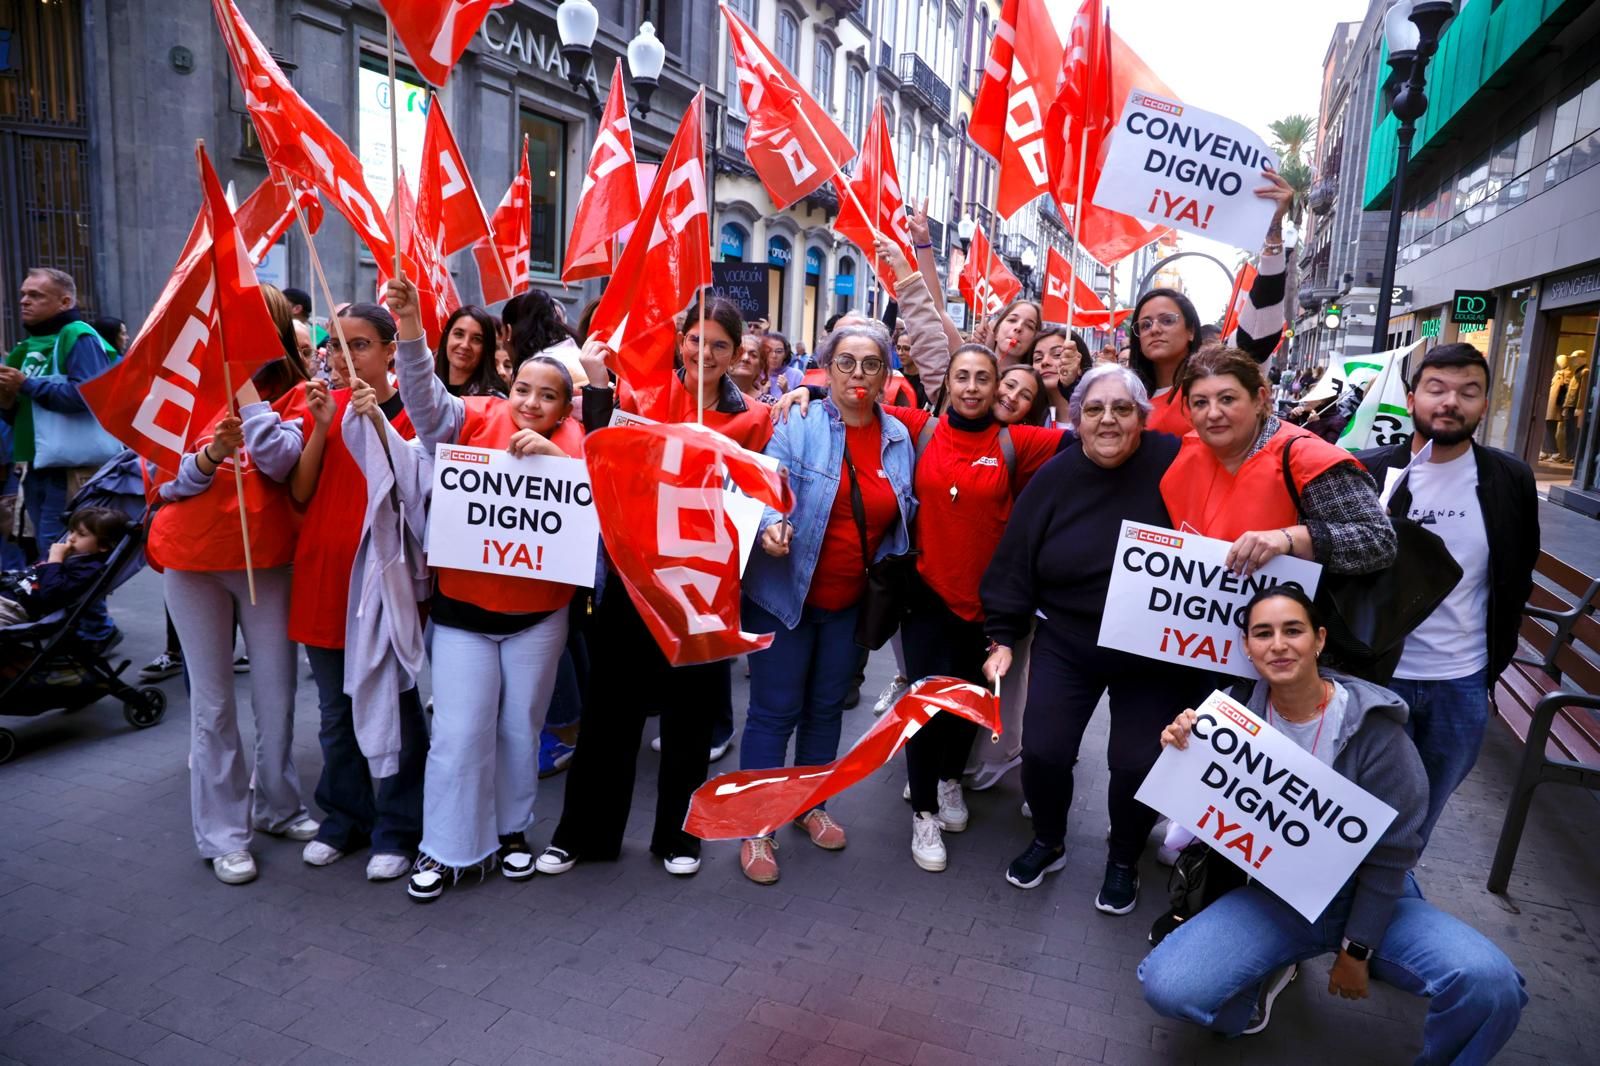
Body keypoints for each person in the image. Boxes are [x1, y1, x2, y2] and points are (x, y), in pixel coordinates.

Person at [1139, 587, 1527, 1058]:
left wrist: (1358, 947)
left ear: (1319, 640)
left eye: (1293, 630)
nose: (1278, 644)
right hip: (1276, 901)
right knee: (1167, 987)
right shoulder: (1228, 715)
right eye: (1263, 633)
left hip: (1369, 896)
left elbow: (1392, 855)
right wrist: (1182, 751)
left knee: (1491, 983)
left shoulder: (1375, 730)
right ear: (1247, 647)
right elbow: (1204, 812)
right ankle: (1252, 995)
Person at [537, 297, 773, 879]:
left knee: (690, 717)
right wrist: (596, 386)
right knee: (610, 713)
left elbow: (759, 495)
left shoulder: (757, 419)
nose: (705, 354)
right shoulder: (642, 398)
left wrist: (771, 523)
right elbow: (604, 451)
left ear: (736, 353)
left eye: (719, 344)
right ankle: (583, 835)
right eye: (696, 340)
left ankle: (680, 837)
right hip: (634, 579)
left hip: (701, 590)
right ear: (679, 342)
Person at [980, 365, 1211, 907]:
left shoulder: (1178, 460)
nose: (1108, 420)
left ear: (1143, 420)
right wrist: (1003, 636)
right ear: (1076, 420)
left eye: (1123, 409)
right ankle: (1049, 840)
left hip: (1152, 649)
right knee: (1044, 750)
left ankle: (1124, 857)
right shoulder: (1055, 476)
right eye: (1094, 410)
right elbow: (1016, 559)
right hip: (1068, 638)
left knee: (1136, 762)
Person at [385, 277, 583, 902]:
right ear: (509, 386)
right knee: (460, 733)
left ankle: (513, 831)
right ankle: (443, 848)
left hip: (538, 620)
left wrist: (556, 461)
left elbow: (604, 505)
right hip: (464, 615)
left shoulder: (580, 447)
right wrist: (415, 333)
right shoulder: (473, 417)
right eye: (522, 388)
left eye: (545, 396)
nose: (528, 402)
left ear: (563, 407)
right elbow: (424, 405)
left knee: (520, 732)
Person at [242, 303, 426, 884]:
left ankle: (400, 826)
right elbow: (300, 490)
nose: (342, 357)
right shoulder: (319, 401)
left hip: (385, 583)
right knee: (334, 712)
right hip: (324, 574)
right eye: (334, 345)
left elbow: (421, 495)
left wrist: (378, 423)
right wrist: (322, 425)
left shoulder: (416, 412)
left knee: (396, 706)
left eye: (361, 345)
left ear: (391, 349)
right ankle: (345, 817)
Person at [737, 322, 916, 884]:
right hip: (784, 596)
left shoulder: (900, 439)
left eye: (870, 364)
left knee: (825, 708)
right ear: (826, 368)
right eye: (846, 362)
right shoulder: (800, 419)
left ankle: (810, 802)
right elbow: (764, 484)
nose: (858, 375)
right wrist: (770, 525)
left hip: (850, 603)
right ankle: (757, 825)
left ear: (887, 375)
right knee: (774, 710)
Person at [149, 295, 316, 885]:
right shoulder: (180, 386)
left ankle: (277, 805)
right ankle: (222, 833)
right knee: (213, 705)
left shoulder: (293, 388)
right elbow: (163, 484)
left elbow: (281, 465)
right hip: (192, 563)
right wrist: (210, 454)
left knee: (276, 695)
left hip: (266, 562)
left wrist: (245, 388)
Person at [1357, 344, 1539, 845]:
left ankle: (1379, 913)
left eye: (1468, 392)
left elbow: (1517, 571)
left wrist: (1491, 664)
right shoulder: (1366, 471)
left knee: (1417, 826)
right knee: (1360, 815)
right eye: (1436, 389)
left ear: (1485, 405)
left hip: (1460, 684)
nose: (1450, 402)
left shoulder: (1509, 479)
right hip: (1377, 678)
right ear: (1412, 398)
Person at [1160, 347, 1395, 580]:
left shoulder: (1307, 460)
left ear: (1260, 400)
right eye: (1200, 403)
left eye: (1227, 399)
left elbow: (1379, 541)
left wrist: (1291, 539)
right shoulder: (1183, 454)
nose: (1213, 413)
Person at [1128, 171, 1292, 435]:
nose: (1154, 329)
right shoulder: (1125, 394)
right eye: (1144, 325)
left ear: (1191, 329)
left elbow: (1260, 330)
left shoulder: (1216, 379)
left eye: (1167, 320)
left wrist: (1273, 232)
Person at [0, 268, 119, 549]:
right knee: (47, 557)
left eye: (35, 295)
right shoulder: (26, 347)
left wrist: (26, 385)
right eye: (23, 295)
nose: (24, 301)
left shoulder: (78, 336)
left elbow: (88, 396)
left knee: (64, 557)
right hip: (33, 467)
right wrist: (6, 401)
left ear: (65, 302)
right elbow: (18, 415)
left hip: (67, 470)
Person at [0, 506, 131, 626]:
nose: (71, 538)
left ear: (104, 545)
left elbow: (51, 593)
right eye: (71, 531)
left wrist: (55, 559)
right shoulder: (70, 555)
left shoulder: (88, 569)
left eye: (81, 534)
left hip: (14, 607)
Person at [434, 305, 504, 397]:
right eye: (459, 334)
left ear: (487, 348)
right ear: (447, 336)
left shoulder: (493, 401)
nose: (465, 345)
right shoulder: (424, 389)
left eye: (476, 339)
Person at [1035, 328, 1090, 429]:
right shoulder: (1029, 421)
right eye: (1038, 358)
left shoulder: (1096, 418)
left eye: (1057, 354)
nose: (1045, 362)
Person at [757, 332, 804, 403]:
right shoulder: (756, 374)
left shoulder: (797, 375)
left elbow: (803, 406)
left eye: (779, 351)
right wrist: (761, 394)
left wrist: (787, 391)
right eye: (768, 351)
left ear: (785, 354)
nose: (774, 356)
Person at [729, 333, 765, 400]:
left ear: (760, 367)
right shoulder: (708, 399)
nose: (745, 358)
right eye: (739, 353)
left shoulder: (771, 406)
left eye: (753, 355)